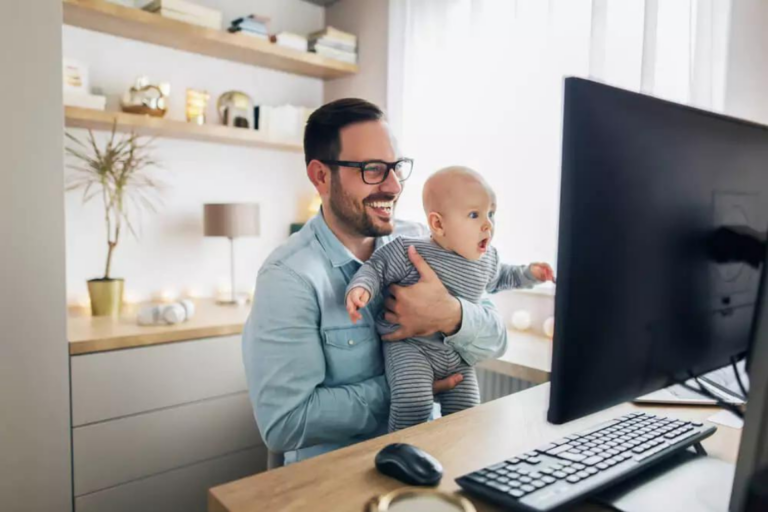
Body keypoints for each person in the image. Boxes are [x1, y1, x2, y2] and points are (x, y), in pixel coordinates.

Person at [242, 99, 509, 464]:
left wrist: (450, 315)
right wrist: (406, 387)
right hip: (336, 479)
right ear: (321, 176)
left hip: (428, 459)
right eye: (372, 169)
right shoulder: (289, 278)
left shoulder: (424, 243)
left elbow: (497, 340)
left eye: (396, 167)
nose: (394, 186)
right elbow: (285, 423)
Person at [346, 166, 554, 431]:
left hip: (456, 352)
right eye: (474, 215)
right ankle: (402, 453)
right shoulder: (411, 249)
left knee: (468, 412)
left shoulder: (487, 258)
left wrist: (530, 274)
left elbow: (503, 277)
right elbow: (377, 268)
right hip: (411, 348)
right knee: (414, 404)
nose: (488, 224)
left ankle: (458, 460)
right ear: (438, 224)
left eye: (491, 213)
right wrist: (361, 288)